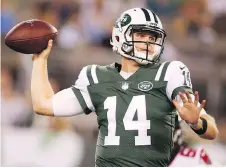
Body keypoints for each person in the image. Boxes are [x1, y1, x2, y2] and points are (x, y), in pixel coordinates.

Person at [31, 8, 218, 167]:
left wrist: (196, 123)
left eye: (152, 38)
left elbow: (211, 130)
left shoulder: (169, 72)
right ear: (121, 35)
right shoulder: (96, 76)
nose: (148, 42)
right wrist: (40, 61)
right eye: (141, 35)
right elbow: (44, 105)